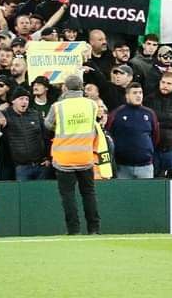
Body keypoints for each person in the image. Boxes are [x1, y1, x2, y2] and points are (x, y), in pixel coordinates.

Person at [45, 75, 101, 235]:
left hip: (64, 159)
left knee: (68, 197)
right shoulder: (92, 105)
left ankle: (74, 230)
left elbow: (48, 124)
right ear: (82, 87)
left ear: (65, 88)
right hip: (85, 157)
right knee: (89, 194)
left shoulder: (58, 107)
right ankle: (94, 229)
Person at [106, 82, 160, 179]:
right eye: (134, 93)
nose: (138, 95)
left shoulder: (149, 113)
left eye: (140, 93)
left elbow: (155, 136)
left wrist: (148, 152)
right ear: (127, 95)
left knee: (146, 194)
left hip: (145, 166)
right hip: (122, 166)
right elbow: (108, 136)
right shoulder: (117, 113)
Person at [3, 86, 50, 181]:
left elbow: (46, 137)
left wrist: (48, 158)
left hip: (40, 165)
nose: (24, 102)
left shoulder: (35, 114)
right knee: (24, 195)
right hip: (21, 167)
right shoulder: (6, 114)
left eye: (27, 99)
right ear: (13, 101)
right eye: (21, 99)